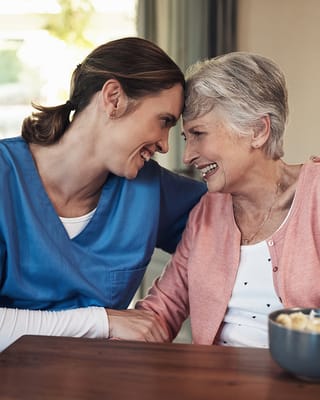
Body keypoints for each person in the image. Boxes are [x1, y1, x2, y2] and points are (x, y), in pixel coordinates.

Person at [0, 37, 206, 351]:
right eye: (163, 121)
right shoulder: (5, 177)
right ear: (113, 98)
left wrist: (303, 180)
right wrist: (104, 321)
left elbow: (243, 212)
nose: (165, 144)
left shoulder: (150, 189)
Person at [109, 51, 320, 347]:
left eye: (199, 133)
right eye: (186, 137)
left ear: (257, 130)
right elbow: (163, 309)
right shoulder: (207, 213)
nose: (187, 155)